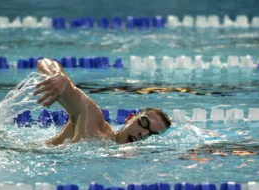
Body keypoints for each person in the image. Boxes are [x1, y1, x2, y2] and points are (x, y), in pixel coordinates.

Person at [33, 58, 171, 145]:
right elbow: (44, 62)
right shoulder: (92, 121)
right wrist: (59, 75)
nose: (144, 134)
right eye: (144, 122)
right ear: (129, 118)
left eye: (152, 134)